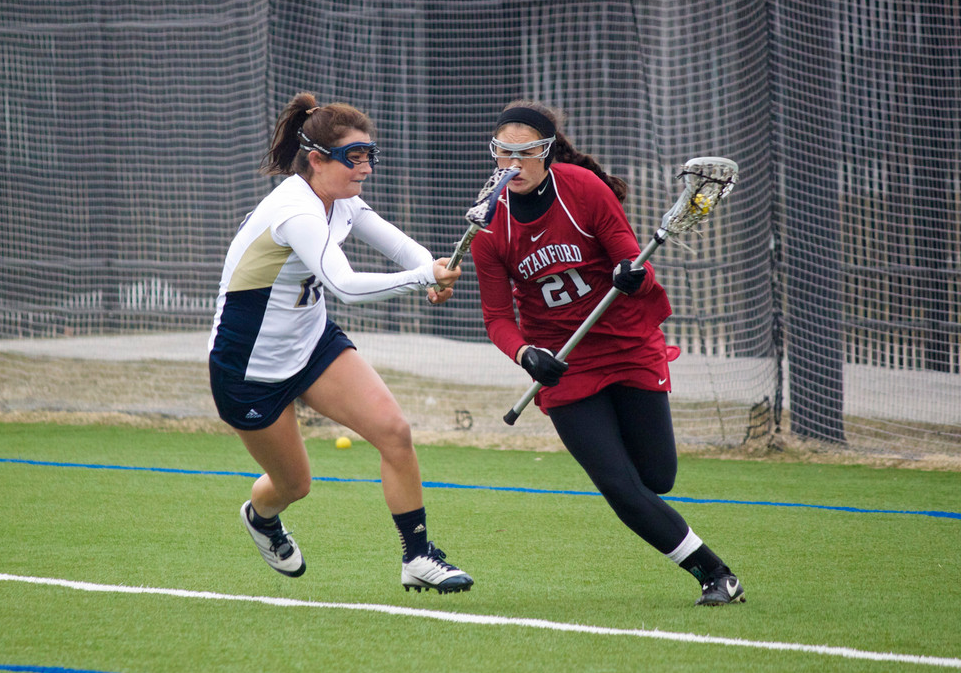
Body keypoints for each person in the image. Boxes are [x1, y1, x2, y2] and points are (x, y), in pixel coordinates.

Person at [469, 100, 744, 606]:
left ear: (547, 153)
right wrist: (526, 353)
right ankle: (715, 574)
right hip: (564, 361)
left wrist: (629, 274)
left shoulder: (583, 189)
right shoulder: (489, 225)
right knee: (619, 485)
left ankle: (671, 527)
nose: (512, 165)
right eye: (502, 153)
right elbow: (497, 318)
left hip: (625, 341)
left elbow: (633, 264)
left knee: (656, 479)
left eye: (525, 153)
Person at [208, 92, 473, 594]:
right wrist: (422, 278)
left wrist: (433, 266)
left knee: (394, 431)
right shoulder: (296, 212)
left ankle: (417, 557)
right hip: (250, 367)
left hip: (312, 345)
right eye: (354, 157)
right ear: (316, 159)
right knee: (294, 486)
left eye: (370, 154)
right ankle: (262, 518)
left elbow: (395, 243)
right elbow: (345, 285)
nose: (366, 167)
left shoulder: (342, 199)